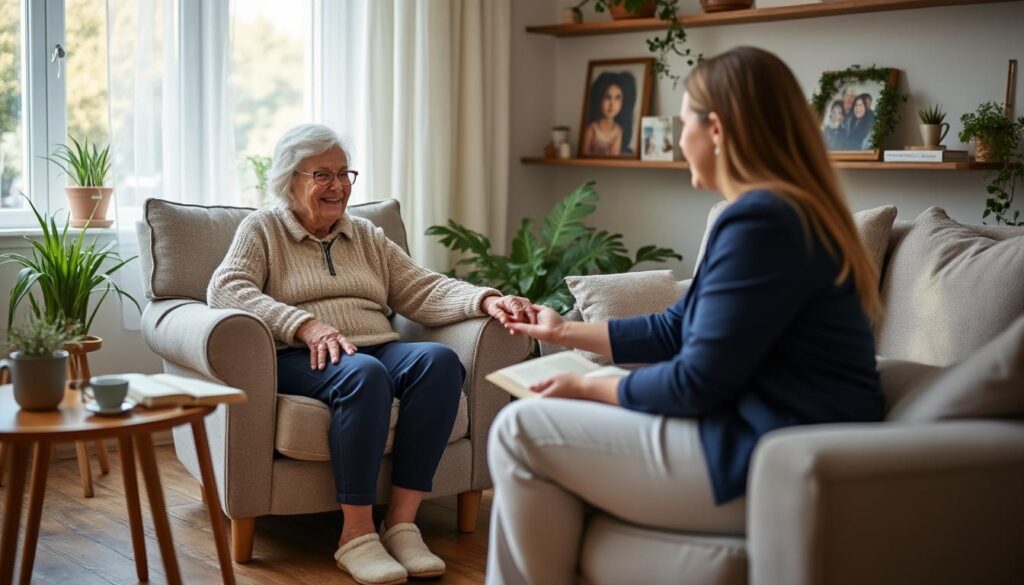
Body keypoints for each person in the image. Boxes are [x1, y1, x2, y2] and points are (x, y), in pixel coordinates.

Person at [484, 46, 884, 584]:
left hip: (766, 455)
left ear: (715, 129)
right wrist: (564, 330)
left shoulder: (760, 222)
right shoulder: (786, 211)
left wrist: (588, 388)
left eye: (683, 120)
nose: (678, 138)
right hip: (779, 438)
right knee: (540, 450)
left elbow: (697, 383)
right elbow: (678, 328)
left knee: (518, 429)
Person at [208, 123, 534, 585]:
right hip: (301, 356)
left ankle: (401, 524)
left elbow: (420, 287)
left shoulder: (364, 234)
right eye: (323, 174)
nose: (338, 186)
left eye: (345, 173)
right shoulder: (263, 229)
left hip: (375, 346)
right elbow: (225, 289)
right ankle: (355, 536)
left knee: (440, 364)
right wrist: (304, 324)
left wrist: (486, 300)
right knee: (364, 375)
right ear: (290, 179)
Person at [580, 71, 637, 156]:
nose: (612, 104)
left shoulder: (618, 131)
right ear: (599, 98)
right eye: (607, 97)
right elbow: (584, 154)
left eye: (617, 98)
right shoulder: (592, 129)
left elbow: (615, 155)